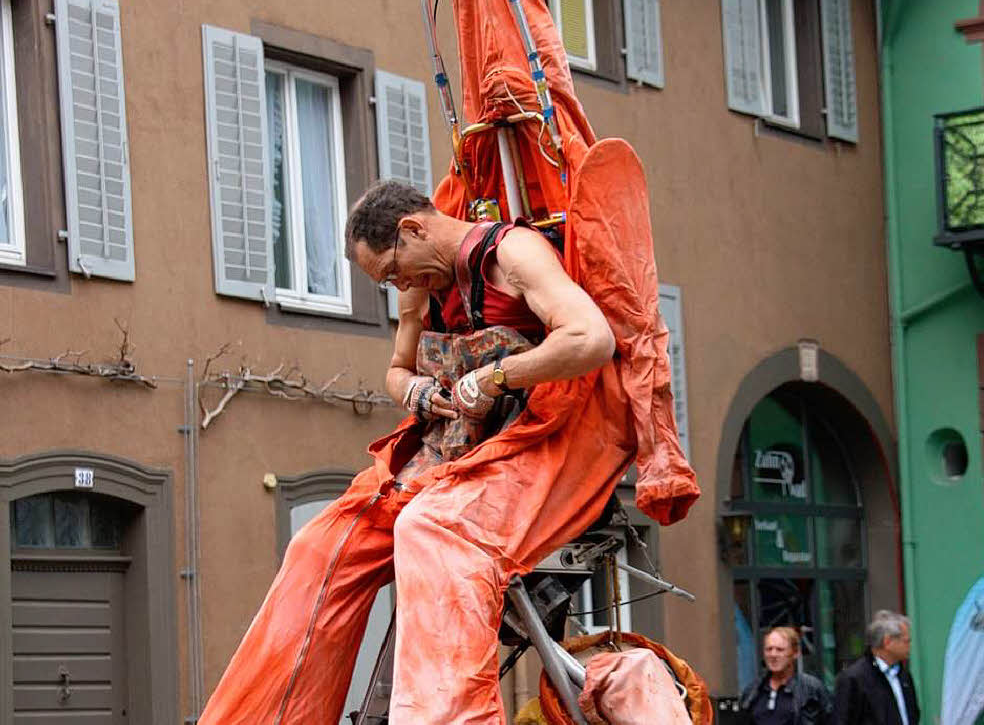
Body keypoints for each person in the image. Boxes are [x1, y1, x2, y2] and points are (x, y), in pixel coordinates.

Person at [197, 179, 663, 725]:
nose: (398, 286)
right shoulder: (421, 289)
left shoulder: (511, 254)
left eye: (394, 272)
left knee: (431, 532)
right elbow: (398, 369)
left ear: (413, 229)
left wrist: (495, 376)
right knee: (320, 547)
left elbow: (591, 339)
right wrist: (414, 391)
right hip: (453, 454)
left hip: (543, 444)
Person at [832, 610, 920, 725]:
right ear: (887, 642)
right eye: (906, 641)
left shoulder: (904, 676)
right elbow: (842, 720)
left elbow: (913, 715)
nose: (909, 646)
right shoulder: (854, 679)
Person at [738, 626, 831, 725]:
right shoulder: (753, 691)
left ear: (795, 653)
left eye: (780, 650)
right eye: (769, 649)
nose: (773, 655)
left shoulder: (811, 689)